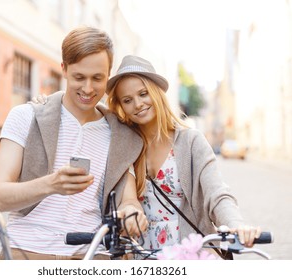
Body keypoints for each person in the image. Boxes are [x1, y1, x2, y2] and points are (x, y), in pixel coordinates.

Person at [0, 27, 147, 260]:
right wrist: (51, 184)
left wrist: (132, 212)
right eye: (79, 77)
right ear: (64, 69)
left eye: (97, 78)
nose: (88, 88)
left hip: (92, 254)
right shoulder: (25, 117)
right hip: (27, 252)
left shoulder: (121, 135)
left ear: (109, 74)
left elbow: (128, 199)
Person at [105, 55, 261, 257]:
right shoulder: (125, 145)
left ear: (157, 92)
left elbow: (217, 192)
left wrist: (235, 224)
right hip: (142, 255)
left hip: (188, 253)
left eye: (143, 94)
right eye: (127, 100)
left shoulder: (190, 141)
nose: (137, 104)